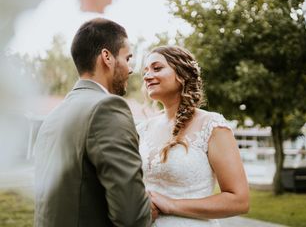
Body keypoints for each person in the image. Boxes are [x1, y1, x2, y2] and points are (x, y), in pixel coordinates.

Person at [34, 18, 153, 227]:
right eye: (128, 58)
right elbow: (132, 215)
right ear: (107, 57)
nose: (130, 68)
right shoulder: (106, 108)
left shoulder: (53, 116)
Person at [137, 45, 249, 226]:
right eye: (146, 71)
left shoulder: (212, 125)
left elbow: (239, 200)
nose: (147, 76)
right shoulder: (142, 129)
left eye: (157, 68)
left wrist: (171, 205)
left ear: (181, 75)